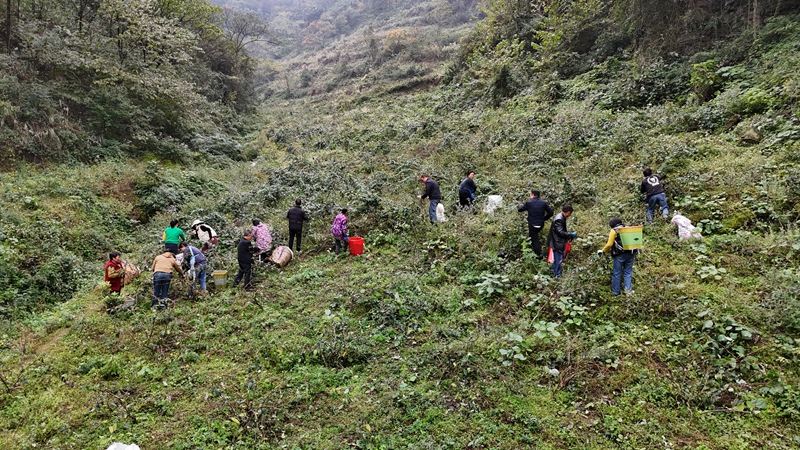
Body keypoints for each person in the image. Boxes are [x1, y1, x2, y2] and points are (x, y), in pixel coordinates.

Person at [597, 217, 636, 296]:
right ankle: (628, 292)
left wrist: (603, 250)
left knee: (617, 273)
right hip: (631, 254)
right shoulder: (627, 229)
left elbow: (609, 244)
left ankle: (615, 292)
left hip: (619, 255)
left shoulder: (614, 231)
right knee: (628, 273)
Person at [517, 189, 554, 258]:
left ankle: (538, 255)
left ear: (532, 195)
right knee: (533, 237)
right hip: (540, 224)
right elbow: (551, 212)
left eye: (530, 194)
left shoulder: (529, 203)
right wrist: (544, 218)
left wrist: (521, 206)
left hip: (532, 225)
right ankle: (533, 250)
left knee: (535, 240)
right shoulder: (543, 203)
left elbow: (520, 209)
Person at [546, 204, 577, 278]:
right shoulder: (559, 219)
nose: (570, 215)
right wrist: (570, 235)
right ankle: (557, 276)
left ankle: (551, 271)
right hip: (557, 242)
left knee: (558, 258)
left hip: (558, 241)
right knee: (558, 260)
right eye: (570, 213)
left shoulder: (560, 216)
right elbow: (560, 232)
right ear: (568, 212)